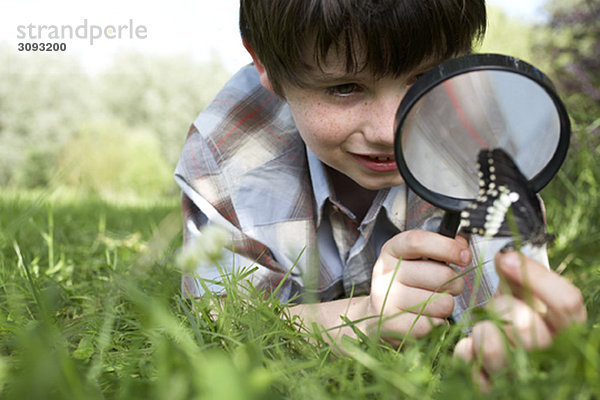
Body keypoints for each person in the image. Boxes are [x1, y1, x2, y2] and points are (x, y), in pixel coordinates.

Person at [174, 0, 586, 387]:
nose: (390, 132)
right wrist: (367, 317)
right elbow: (220, 328)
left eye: (423, 79)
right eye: (344, 87)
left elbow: (497, 308)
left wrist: (516, 334)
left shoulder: (477, 135)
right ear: (266, 66)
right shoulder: (226, 154)